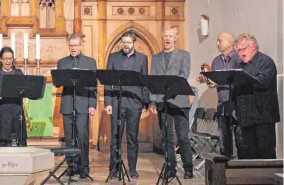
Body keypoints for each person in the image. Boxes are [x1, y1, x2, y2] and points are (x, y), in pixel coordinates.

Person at [149, 26, 193, 179]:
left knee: (183, 136)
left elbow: (184, 75)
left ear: (176, 38)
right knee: (167, 137)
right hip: (162, 102)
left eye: (171, 36)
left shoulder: (184, 55)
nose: (168, 38)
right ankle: (170, 168)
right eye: (165, 35)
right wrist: (153, 101)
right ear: (163, 37)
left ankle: (188, 168)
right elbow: (153, 81)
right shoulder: (156, 58)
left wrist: (169, 86)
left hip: (179, 101)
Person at [104, 30, 149, 179]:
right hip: (117, 102)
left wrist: (145, 102)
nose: (125, 45)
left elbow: (144, 82)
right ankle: (114, 169)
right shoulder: (113, 57)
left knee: (132, 137)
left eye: (128, 42)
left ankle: (133, 169)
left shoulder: (142, 58)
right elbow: (107, 81)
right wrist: (108, 102)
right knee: (115, 136)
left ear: (134, 43)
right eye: (123, 42)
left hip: (134, 103)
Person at [233, 33, 280, 159]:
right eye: (238, 50)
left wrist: (244, 78)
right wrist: (234, 108)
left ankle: (268, 179)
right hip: (245, 117)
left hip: (263, 116)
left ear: (253, 46)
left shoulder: (266, 62)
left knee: (265, 152)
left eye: (242, 49)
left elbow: (264, 82)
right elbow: (235, 89)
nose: (240, 53)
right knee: (247, 153)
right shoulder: (240, 66)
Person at [56, 33, 97, 179]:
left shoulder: (90, 62)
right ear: (68, 45)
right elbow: (57, 83)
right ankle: (71, 166)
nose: (73, 48)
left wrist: (92, 105)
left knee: (82, 136)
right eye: (71, 45)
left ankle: (84, 167)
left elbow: (93, 86)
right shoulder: (62, 62)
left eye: (76, 45)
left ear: (81, 45)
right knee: (69, 137)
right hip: (68, 103)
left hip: (83, 103)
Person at [196, 33, 243, 159]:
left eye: (220, 40)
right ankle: (224, 172)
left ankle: (242, 170)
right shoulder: (216, 61)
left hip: (236, 105)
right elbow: (213, 85)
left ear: (230, 42)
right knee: (224, 140)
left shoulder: (238, 58)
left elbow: (240, 81)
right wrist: (206, 79)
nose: (217, 43)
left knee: (240, 139)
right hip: (222, 105)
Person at [0, 47, 27, 147]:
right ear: (1, 60)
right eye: (5, 59)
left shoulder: (18, 73)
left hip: (16, 110)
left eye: (10, 58)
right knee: (3, 145)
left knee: (19, 143)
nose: (8, 61)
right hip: (2, 112)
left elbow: (24, 89)